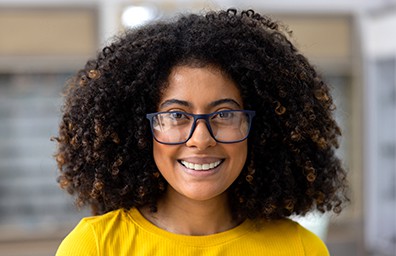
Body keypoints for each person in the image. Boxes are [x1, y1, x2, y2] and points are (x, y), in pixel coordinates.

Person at [54, 8, 348, 255]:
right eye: (177, 115)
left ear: (260, 129)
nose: (201, 139)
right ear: (140, 131)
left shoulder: (300, 248)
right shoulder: (95, 247)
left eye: (224, 114)